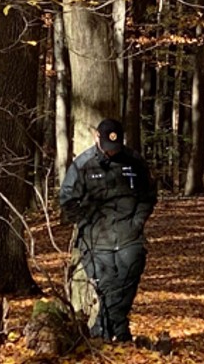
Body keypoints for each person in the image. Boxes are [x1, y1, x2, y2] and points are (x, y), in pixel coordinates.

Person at [60, 118, 157, 342]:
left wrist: (137, 222)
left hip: (128, 236)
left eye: (116, 147)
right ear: (97, 139)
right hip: (96, 241)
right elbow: (66, 199)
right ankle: (116, 334)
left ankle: (106, 332)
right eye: (107, 148)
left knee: (127, 284)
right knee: (106, 287)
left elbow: (149, 195)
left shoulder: (134, 162)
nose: (112, 152)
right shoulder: (83, 164)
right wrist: (85, 222)